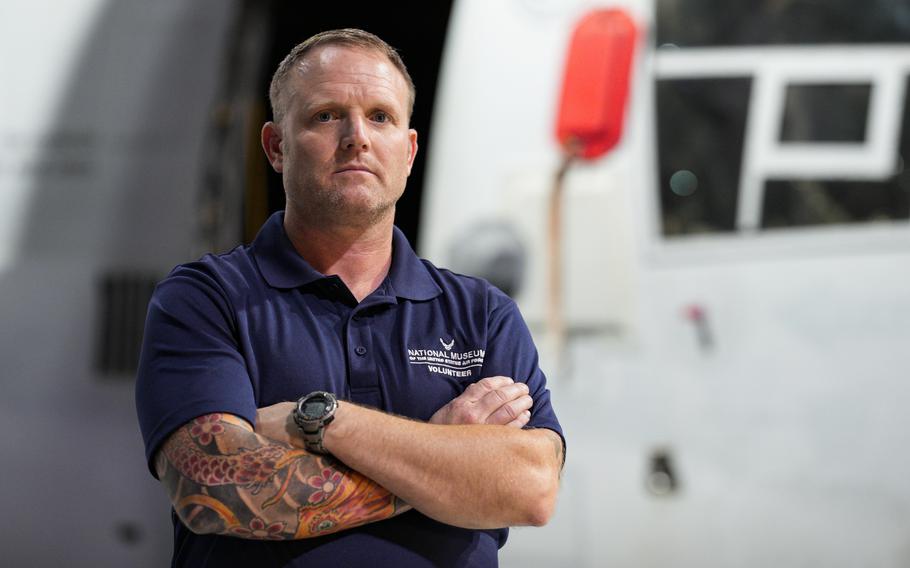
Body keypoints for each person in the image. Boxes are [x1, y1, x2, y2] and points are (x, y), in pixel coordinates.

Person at [135, 28, 564, 567]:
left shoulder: (482, 314)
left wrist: (321, 422)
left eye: (381, 116)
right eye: (326, 116)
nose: (357, 136)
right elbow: (218, 493)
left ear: (408, 152)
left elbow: (530, 488)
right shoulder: (207, 299)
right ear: (275, 146)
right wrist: (443, 454)